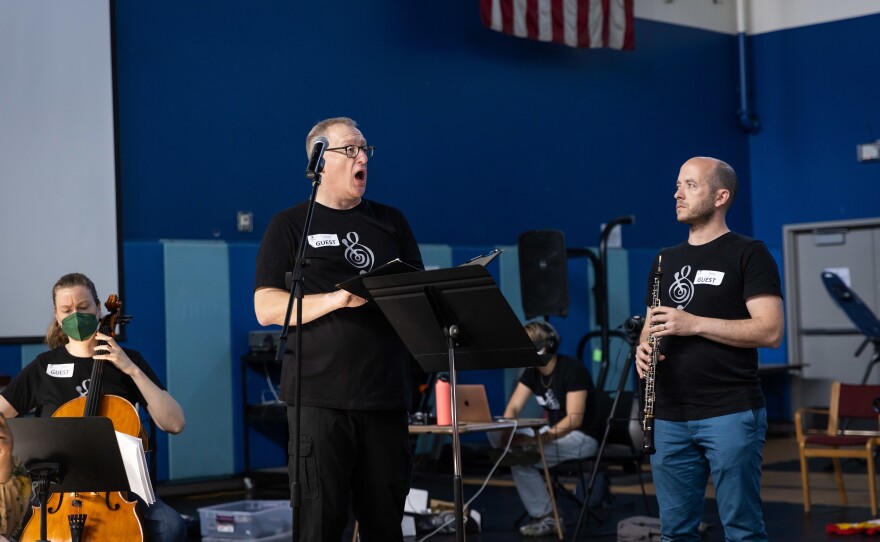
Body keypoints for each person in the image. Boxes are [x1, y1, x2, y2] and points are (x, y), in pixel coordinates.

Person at [253, 116, 423, 541]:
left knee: (385, 525)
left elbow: (418, 298)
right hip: (319, 401)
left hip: (385, 399)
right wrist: (335, 299)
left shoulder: (392, 222)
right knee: (321, 525)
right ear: (319, 162)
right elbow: (266, 307)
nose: (361, 158)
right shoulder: (291, 225)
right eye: (350, 150)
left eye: (365, 150)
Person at [634, 157, 784, 542]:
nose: (677, 193)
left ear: (720, 196)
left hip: (730, 411)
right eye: (677, 184)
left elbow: (770, 331)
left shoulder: (749, 253)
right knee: (675, 533)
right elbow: (652, 324)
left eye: (690, 185)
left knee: (743, 531)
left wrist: (694, 323)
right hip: (669, 414)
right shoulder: (664, 260)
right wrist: (642, 349)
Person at [0, 272, 187, 542]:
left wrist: (131, 369)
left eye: (84, 307)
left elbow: (175, 423)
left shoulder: (129, 361)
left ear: (98, 308)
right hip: (57, 495)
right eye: (67, 310)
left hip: (122, 491)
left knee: (171, 526)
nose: (76, 315)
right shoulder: (44, 367)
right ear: (57, 315)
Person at [488, 321, 601, 537]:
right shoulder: (532, 374)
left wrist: (534, 440)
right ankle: (514, 453)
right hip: (552, 435)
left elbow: (574, 420)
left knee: (521, 458)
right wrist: (506, 434)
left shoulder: (573, 369)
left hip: (582, 438)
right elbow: (512, 407)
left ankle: (547, 516)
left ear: (545, 346)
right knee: (495, 430)